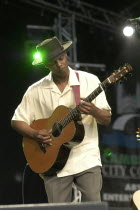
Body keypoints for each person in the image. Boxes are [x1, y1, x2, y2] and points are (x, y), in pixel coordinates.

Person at [11, 36, 111, 203]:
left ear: (66, 54)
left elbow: (106, 119)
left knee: (94, 205)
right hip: (52, 162)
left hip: (86, 157)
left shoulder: (89, 80)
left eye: (61, 58)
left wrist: (93, 110)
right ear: (45, 65)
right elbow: (17, 121)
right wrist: (35, 134)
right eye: (53, 62)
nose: (59, 64)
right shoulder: (35, 90)